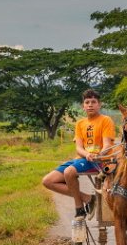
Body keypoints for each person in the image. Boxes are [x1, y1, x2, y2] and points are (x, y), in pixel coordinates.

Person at [42, 89, 115, 221]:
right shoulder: (80, 123)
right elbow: (79, 148)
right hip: (83, 159)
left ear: (99, 104)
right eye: (87, 102)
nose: (90, 105)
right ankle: (88, 199)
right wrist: (87, 154)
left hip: (100, 161)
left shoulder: (106, 120)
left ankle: (79, 208)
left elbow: (107, 145)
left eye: (93, 102)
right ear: (83, 106)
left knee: (69, 172)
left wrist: (98, 155)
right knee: (48, 181)